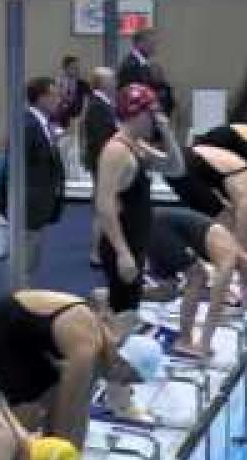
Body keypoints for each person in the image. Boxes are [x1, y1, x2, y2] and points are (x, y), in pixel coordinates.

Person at [0, 289, 165, 460]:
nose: (125, 386)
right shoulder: (87, 353)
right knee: (26, 420)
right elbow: (65, 420)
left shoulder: (101, 350)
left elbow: (80, 417)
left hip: (23, 340)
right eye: (128, 379)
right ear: (122, 362)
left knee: (49, 402)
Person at [94, 83, 184, 321]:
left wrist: (167, 132)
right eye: (152, 114)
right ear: (138, 114)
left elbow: (176, 168)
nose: (156, 119)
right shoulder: (116, 151)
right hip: (122, 244)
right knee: (123, 314)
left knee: (126, 309)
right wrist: (123, 253)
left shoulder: (137, 146)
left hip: (135, 241)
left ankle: (115, 347)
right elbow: (104, 205)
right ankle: (113, 355)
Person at [145, 207, 247, 359]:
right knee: (197, 277)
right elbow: (215, 307)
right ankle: (184, 341)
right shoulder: (229, 261)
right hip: (159, 226)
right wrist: (204, 345)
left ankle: (127, 295)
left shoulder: (240, 256)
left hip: (163, 226)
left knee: (168, 292)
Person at [0, 77, 66, 286]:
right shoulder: (27, 125)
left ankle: (23, 296)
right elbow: (13, 167)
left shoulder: (42, 124)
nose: (59, 100)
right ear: (41, 98)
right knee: (23, 263)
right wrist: (12, 202)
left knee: (31, 260)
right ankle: (18, 303)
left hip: (38, 204)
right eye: (54, 95)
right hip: (27, 204)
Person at [82, 67, 119, 267]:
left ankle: (103, 248)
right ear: (102, 83)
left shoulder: (103, 104)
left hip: (104, 161)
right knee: (104, 207)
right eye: (112, 79)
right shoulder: (97, 106)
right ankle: (96, 253)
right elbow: (101, 139)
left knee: (106, 206)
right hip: (103, 162)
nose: (116, 82)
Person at [117, 28, 176, 116]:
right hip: (139, 117)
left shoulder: (149, 65)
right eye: (151, 43)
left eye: (155, 43)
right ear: (140, 43)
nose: (154, 47)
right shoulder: (130, 66)